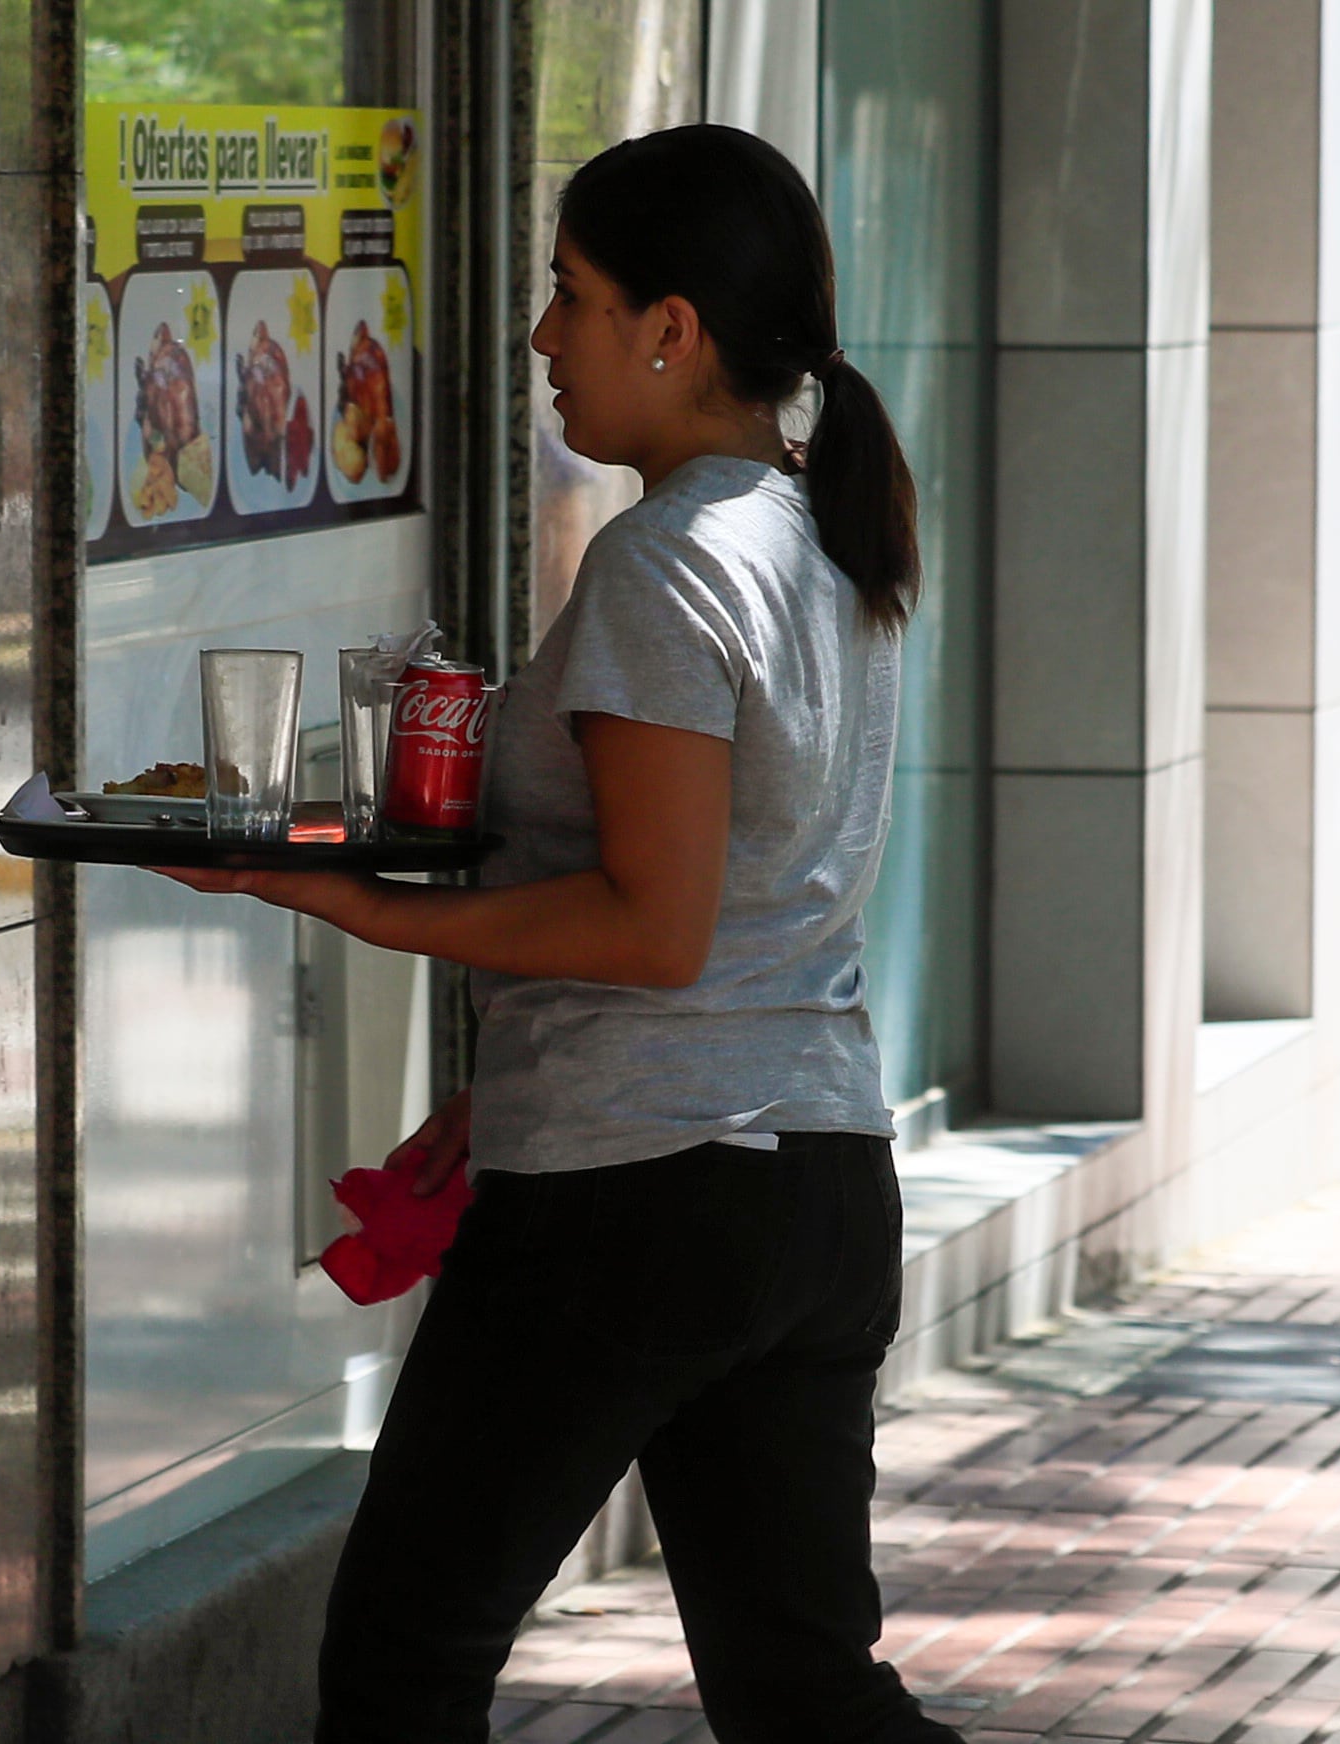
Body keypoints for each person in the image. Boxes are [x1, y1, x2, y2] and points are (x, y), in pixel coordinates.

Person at [156, 124, 963, 1744]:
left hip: (640, 1194)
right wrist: (506, 1073)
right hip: (807, 1177)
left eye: (568, 294)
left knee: (404, 1653)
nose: (540, 337)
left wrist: (367, 907)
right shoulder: (815, 533)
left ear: (672, 330)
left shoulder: (671, 562)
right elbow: (720, 909)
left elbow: (655, 930)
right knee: (806, 1697)